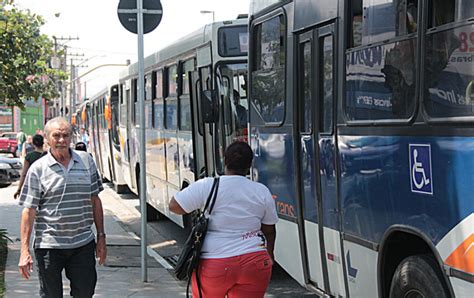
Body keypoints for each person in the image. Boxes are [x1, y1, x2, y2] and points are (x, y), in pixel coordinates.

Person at [169, 141, 278, 297]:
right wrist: (270, 254)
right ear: (249, 165)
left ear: (224, 160)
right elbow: (269, 231)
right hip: (255, 262)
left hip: (214, 263)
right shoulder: (261, 191)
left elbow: (174, 206)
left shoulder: (207, 186)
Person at [18, 117, 106, 297]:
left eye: (65, 135)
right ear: (47, 138)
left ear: (71, 137)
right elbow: (29, 210)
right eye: (56, 135)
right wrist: (24, 250)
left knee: (85, 293)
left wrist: (101, 236)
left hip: (82, 243)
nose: (61, 140)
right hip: (49, 246)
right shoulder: (38, 169)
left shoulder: (86, 161)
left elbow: (95, 200)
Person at [14, 134, 45, 199]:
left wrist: (19, 189)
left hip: (33, 186)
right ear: (43, 143)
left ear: (33, 144)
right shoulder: (48, 155)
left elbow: (24, 174)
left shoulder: (29, 156)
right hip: (46, 184)